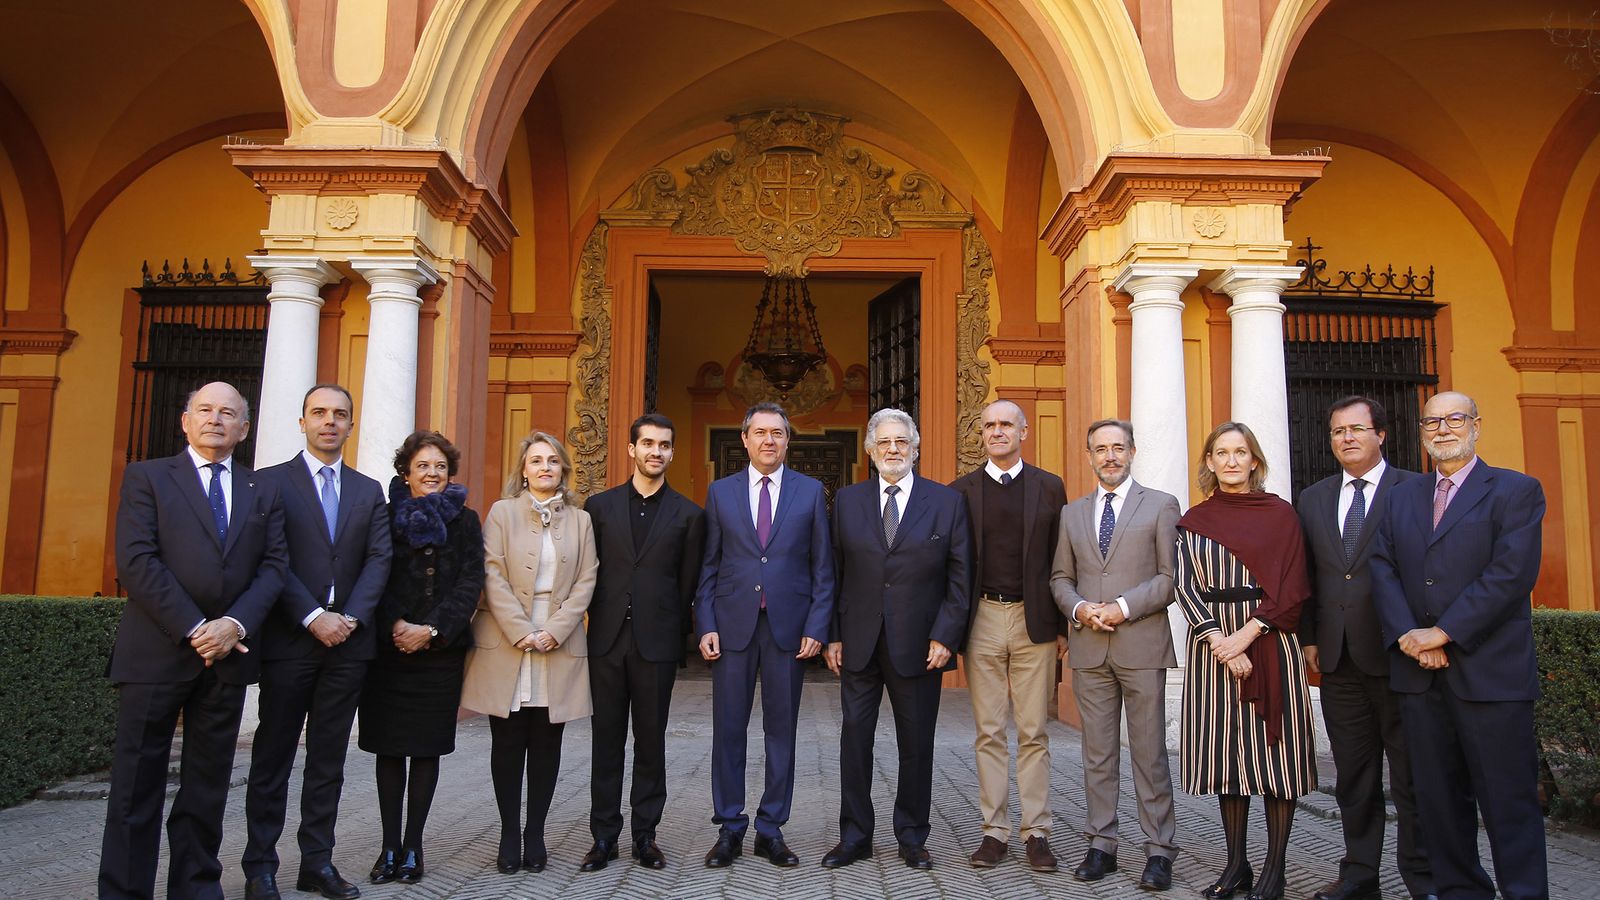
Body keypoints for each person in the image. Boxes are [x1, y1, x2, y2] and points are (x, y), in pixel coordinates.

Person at [99, 381, 288, 900]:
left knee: (206, 788)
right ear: (185, 420)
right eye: (205, 410)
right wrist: (195, 628)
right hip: (157, 655)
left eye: (228, 413)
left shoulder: (259, 491)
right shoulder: (147, 477)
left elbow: (274, 568)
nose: (216, 419)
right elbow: (136, 561)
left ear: (244, 429)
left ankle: (197, 886)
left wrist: (234, 626)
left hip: (227, 659)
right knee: (136, 788)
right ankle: (124, 891)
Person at [1371, 391, 1548, 900]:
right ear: (1421, 430)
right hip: (1420, 676)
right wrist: (1410, 636)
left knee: (1508, 803)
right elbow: (1381, 568)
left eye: (1455, 419)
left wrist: (1443, 633)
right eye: (1432, 420)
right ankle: (1459, 892)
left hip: (1491, 677)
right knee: (1438, 804)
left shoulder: (1516, 491)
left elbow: (1512, 574)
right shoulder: (1401, 495)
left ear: (1476, 424)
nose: (1443, 428)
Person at [243, 384, 393, 900]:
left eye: (340, 414)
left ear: (352, 425)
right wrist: (311, 616)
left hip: (348, 646)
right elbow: (270, 560)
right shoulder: (270, 484)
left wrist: (349, 617)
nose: (330, 422)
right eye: (319, 413)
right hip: (290, 641)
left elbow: (379, 560)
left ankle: (317, 862)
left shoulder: (367, 489)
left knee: (328, 759)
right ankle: (259, 866)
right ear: (302, 421)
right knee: (273, 758)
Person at [1296, 397, 1434, 900]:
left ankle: (1422, 877)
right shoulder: (1312, 498)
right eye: (1337, 432)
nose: (1346, 438)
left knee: (1413, 776)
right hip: (1338, 660)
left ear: (1382, 435)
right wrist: (1309, 638)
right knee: (1355, 777)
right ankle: (1359, 876)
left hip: (1400, 656)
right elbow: (1307, 575)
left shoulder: (1415, 490)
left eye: (1357, 429)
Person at [822, 409, 971, 871]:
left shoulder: (946, 502)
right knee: (854, 742)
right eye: (884, 442)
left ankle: (911, 835)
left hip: (920, 645)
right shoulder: (846, 501)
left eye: (901, 442)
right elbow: (832, 572)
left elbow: (960, 576)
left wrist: (947, 636)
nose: (892, 449)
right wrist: (832, 636)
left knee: (916, 744)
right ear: (869, 451)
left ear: (915, 448)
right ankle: (855, 836)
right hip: (858, 643)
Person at [1173, 422, 1315, 900]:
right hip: (1212, 650)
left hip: (1272, 639)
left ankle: (1275, 873)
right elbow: (1184, 586)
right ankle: (1236, 865)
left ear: (1255, 460)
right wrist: (1218, 641)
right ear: (1209, 462)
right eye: (1221, 453)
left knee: (1274, 759)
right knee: (1228, 758)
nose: (1231, 461)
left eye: (1240, 452)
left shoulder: (1282, 516)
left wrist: (1248, 635)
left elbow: (1294, 586)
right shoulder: (1194, 519)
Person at [695, 401, 835, 869]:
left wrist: (817, 626)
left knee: (782, 732)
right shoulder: (720, 492)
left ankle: (771, 828)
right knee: (728, 731)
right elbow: (709, 566)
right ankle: (730, 827)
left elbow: (823, 568)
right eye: (760, 432)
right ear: (745, 439)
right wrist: (706, 624)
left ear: (788, 440)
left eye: (777, 433)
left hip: (788, 632)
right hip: (733, 627)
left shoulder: (812, 492)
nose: (769, 440)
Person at [1049, 418, 1182, 891]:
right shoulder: (1072, 513)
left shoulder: (1162, 505)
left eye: (1117, 447)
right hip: (1089, 648)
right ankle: (1101, 844)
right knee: (1097, 754)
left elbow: (1169, 578)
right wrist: (1082, 608)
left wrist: (1121, 608)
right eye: (1100, 449)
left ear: (1132, 451)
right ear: (1089, 456)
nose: (1109, 456)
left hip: (1141, 644)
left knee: (1149, 755)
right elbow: (1060, 578)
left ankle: (1159, 850)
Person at [461, 431, 597, 875]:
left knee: (546, 743)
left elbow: (587, 580)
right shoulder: (501, 513)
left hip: (557, 642)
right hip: (507, 640)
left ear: (563, 470)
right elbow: (491, 572)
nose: (544, 467)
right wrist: (521, 630)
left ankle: (535, 832)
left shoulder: (580, 520)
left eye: (552, 461)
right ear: (523, 469)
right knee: (507, 742)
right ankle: (507, 832)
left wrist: (554, 630)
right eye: (536, 460)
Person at [579, 414, 705, 871]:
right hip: (606, 642)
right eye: (647, 443)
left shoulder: (690, 515)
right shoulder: (599, 507)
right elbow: (587, 574)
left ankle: (645, 836)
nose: (656, 451)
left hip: (657, 644)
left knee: (651, 744)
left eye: (664, 445)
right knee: (606, 743)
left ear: (672, 452)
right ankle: (603, 837)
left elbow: (687, 582)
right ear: (631, 449)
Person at [357, 431, 483, 886]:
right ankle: (388, 846)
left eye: (440, 467)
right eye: (423, 466)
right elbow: (373, 573)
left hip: (439, 654)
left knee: (426, 749)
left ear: (450, 474)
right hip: (388, 654)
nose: (432, 473)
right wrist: (396, 625)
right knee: (389, 750)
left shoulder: (467, 521)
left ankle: (414, 845)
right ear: (406, 472)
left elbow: (471, 580)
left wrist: (431, 629)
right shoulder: (384, 516)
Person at [948, 399, 1067, 872]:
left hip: (1033, 621)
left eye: (1006, 424)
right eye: (990, 425)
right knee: (989, 732)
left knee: (1034, 730)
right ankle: (994, 832)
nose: (997, 432)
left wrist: (1062, 628)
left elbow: (1064, 561)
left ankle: (1036, 832)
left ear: (1024, 432)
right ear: (982, 433)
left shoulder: (1050, 487)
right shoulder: (960, 492)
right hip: (981, 619)